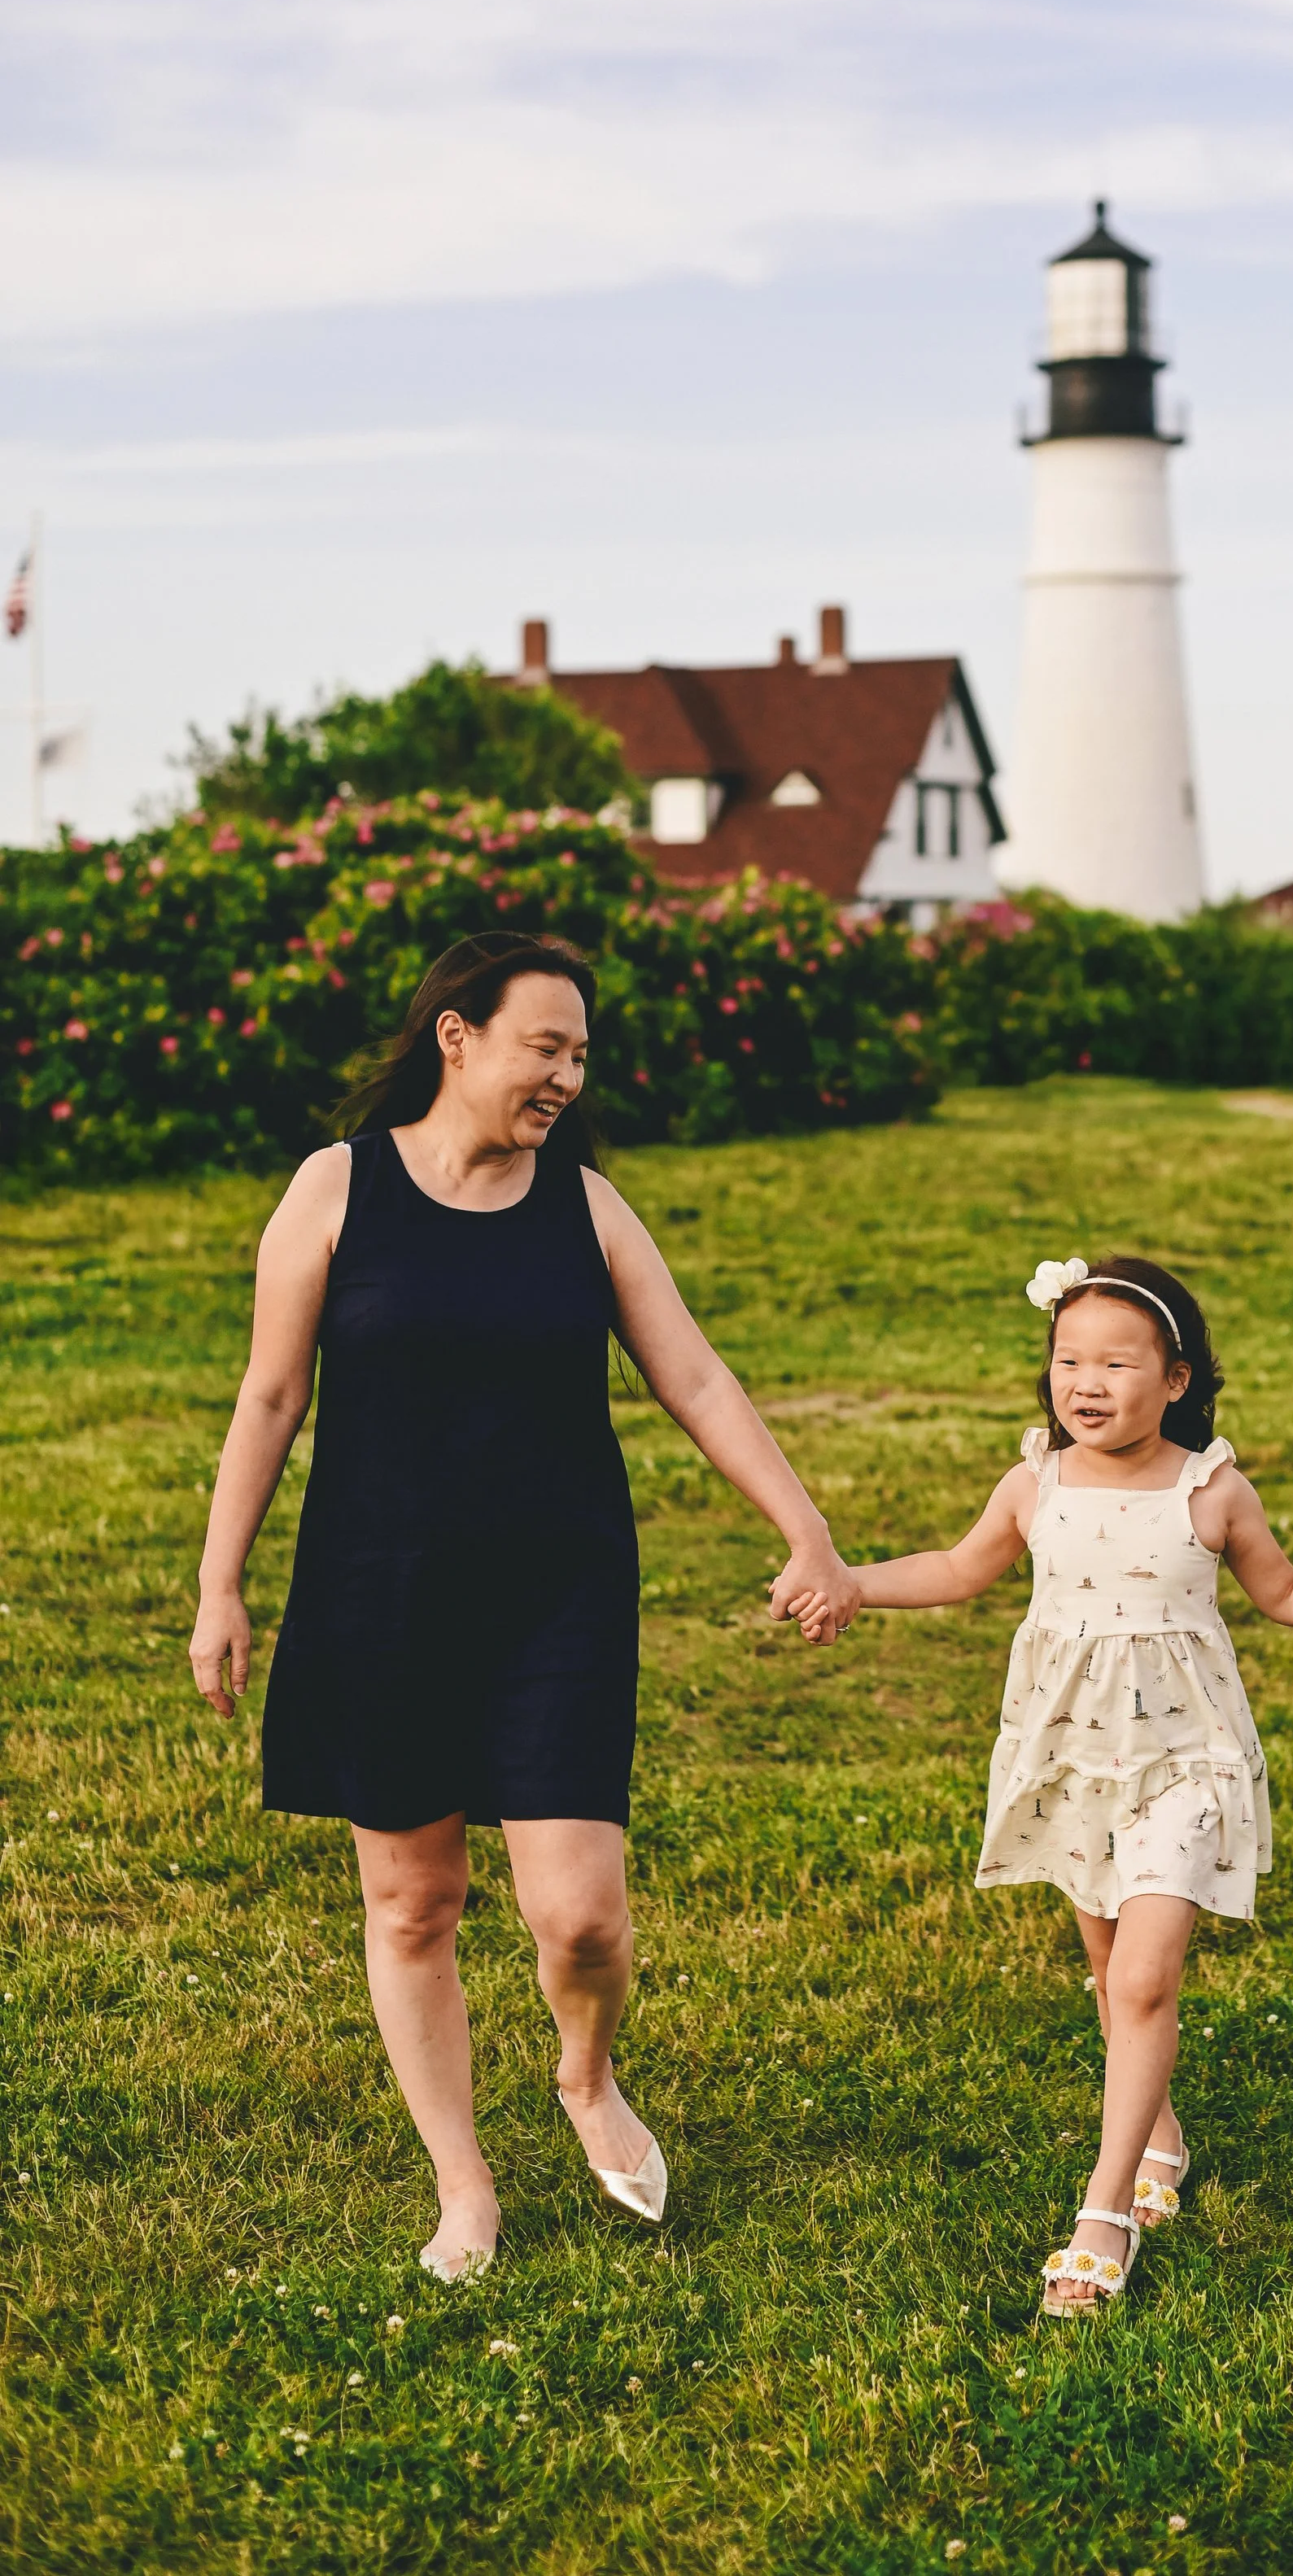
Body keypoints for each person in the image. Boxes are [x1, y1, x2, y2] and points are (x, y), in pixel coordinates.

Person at [187, 931, 858, 2283]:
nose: (565, 1075)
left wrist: (806, 1525)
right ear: (459, 1037)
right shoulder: (335, 1192)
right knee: (414, 1900)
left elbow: (700, 1381)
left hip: (556, 1590)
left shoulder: (588, 1207)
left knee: (582, 1918)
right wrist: (221, 1583)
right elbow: (270, 1398)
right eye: (544, 1047)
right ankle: (464, 2185)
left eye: (579, 1055)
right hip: (380, 1590)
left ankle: (585, 2074)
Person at [781, 1252, 1293, 2312]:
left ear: (1175, 1379)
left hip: (1187, 1761)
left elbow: (1280, 1592)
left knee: (1141, 1981)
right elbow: (958, 1570)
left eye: (1117, 1364)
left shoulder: (1209, 1488)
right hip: (1073, 1757)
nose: (1086, 1382)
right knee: (1107, 1970)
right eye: (1068, 1359)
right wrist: (853, 1584)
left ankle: (1106, 2209)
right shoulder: (1034, 1482)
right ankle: (1161, 2134)